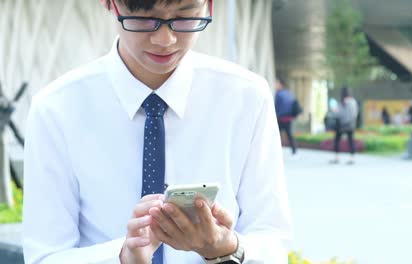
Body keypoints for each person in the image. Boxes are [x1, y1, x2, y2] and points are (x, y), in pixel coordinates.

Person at [22, 1, 292, 263]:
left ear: (209, 5)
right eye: (142, 18)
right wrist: (121, 258)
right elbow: (46, 255)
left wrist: (226, 248)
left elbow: (272, 242)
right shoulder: (56, 109)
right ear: (110, 4)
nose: (165, 39)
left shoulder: (247, 98)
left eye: (185, 16)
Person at [330, 86, 358, 165]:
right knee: (351, 141)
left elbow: (338, 114)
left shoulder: (342, 102)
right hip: (351, 124)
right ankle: (352, 158)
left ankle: (336, 157)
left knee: (337, 140)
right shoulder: (353, 101)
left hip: (341, 124)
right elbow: (355, 114)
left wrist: (334, 110)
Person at [274, 77, 298, 155]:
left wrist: (276, 116)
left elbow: (276, 106)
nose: (275, 85)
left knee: (276, 135)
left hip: (281, 118)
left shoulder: (278, 94)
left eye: (276, 83)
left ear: (280, 84)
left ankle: (275, 151)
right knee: (289, 134)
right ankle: (294, 150)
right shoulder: (288, 93)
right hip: (288, 118)